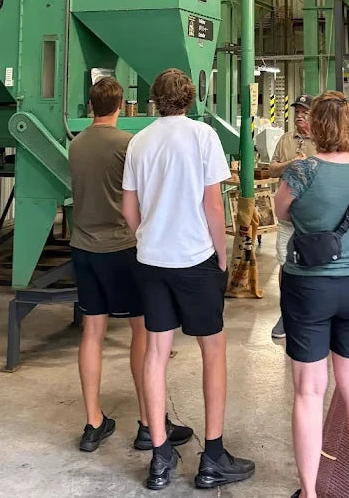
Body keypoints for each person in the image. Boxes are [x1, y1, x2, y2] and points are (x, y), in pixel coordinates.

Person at [122, 68, 255, 491]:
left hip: (151, 260)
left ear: (154, 99)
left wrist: (147, 237)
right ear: (191, 98)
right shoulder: (202, 136)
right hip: (195, 259)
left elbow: (128, 208)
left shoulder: (139, 141)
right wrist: (221, 253)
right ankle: (212, 457)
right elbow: (213, 205)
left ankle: (160, 456)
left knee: (155, 352)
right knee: (212, 352)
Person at [68, 76, 191, 454]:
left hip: (83, 248)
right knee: (142, 332)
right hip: (122, 248)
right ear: (121, 106)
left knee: (92, 332)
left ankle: (93, 422)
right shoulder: (128, 144)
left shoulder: (75, 145)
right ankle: (148, 423)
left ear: (91, 106)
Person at [274, 91, 349, 498]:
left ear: (315, 127)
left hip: (308, 286)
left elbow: (281, 212)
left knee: (309, 391)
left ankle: (309, 492)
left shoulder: (302, 171)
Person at [270, 94, 317, 341]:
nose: (300, 115)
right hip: (288, 215)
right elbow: (272, 168)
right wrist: (291, 163)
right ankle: (287, 313)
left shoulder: (321, 140)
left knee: (314, 263)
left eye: (304, 112)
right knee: (285, 263)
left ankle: (313, 313)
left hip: (313, 217)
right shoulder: (286, 139)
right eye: (297, 111)